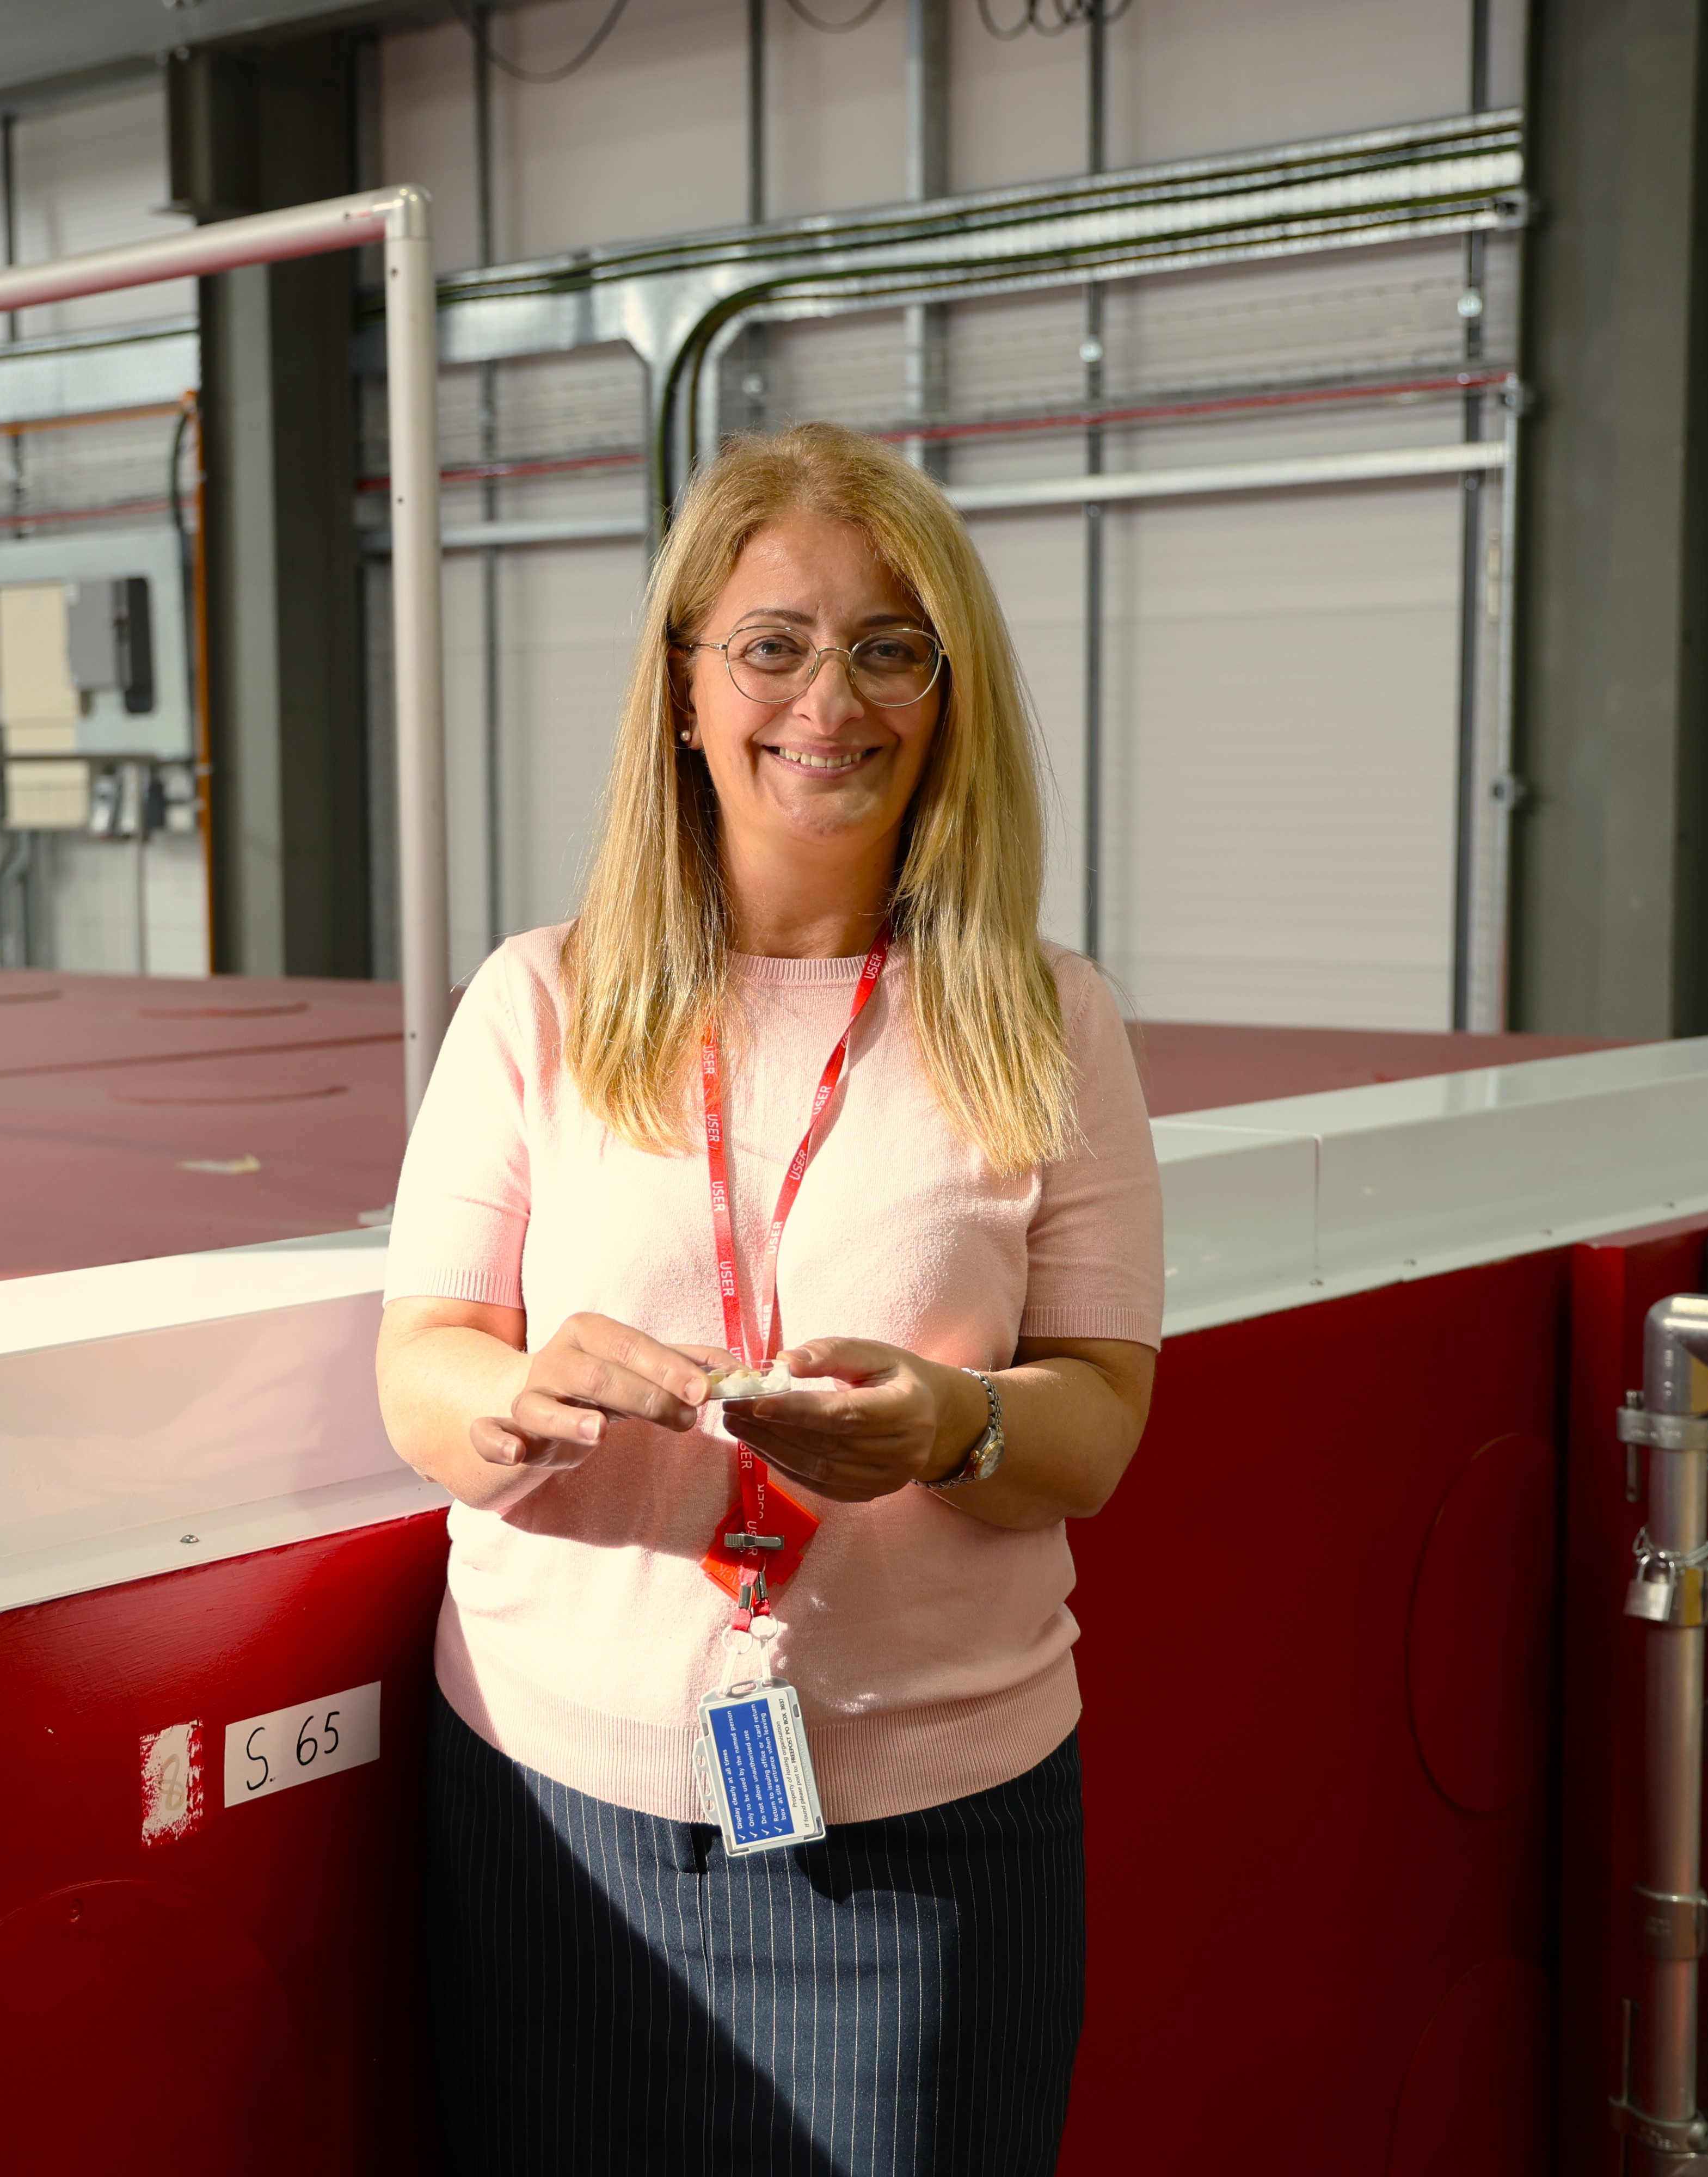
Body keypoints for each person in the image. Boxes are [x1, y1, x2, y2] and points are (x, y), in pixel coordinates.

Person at [372, 421, 1166, 2175]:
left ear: (948, 698)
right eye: (775, 644)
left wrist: (952, 1425)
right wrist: (518, 1406)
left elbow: (1099, 1421)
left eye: (892, 647)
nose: (833, 700)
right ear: (683, 690)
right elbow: (421, 1365)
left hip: (927, 1831)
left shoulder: (1050, 1019)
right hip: (552, 1811)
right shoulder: (537, 1004)